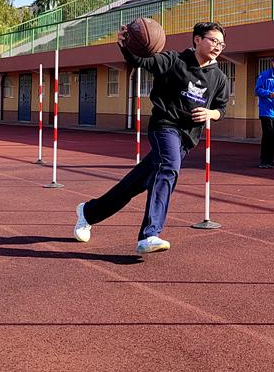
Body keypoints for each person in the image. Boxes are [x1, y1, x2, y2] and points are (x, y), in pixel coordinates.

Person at [74, 21, 229, 254]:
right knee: (168, 167)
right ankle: (150, 234)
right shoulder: (173, 60)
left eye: (222, 43)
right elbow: (139, 61)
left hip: (187, 138)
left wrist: (212, 113)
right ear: (197, 39)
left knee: (134, 184)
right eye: (213, 40)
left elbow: (221, 108)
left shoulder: (219, 77)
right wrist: (125, 46)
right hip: (164, 127)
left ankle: (88, 212)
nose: (218, 46)